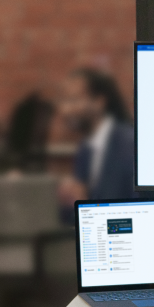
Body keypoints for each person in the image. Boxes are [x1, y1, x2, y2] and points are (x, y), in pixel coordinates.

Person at [58, 68, 137, 208]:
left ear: (99, 102)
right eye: (65, 101)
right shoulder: (85, 150)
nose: (65, 110)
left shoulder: (131, 147)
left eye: (74, 100)